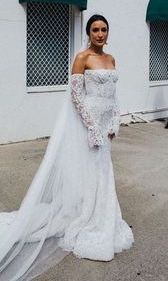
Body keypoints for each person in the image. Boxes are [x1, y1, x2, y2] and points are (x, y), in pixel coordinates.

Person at [0, 14, 134, 281]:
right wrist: (91, 126)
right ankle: (86, 216)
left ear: (108, 33)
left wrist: (115, 121)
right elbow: (76, 96)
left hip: (106, 125)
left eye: (104, 29)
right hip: (89, 124)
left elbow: (113, 95)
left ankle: (103, 215)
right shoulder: (82, 57)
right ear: (88, 32)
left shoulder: (111, 59)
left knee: (103, 173)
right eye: (95, 29)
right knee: (88, 171)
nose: (100, 34)